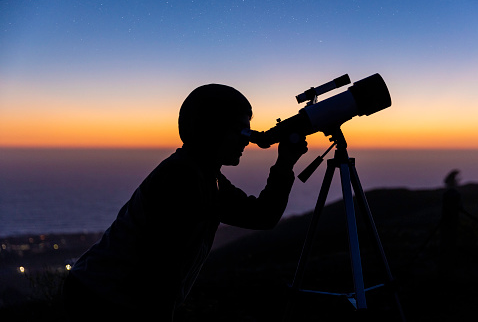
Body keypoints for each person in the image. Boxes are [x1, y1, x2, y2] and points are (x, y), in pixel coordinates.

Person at [63, 84, 308, 321]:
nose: (247, 140)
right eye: (241, 130)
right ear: (212, 128)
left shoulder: (206, 175)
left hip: (106, 296)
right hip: (102, 301)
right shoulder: (182, 178)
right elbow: (160, 274)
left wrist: (285, 163)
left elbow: (262, 216)